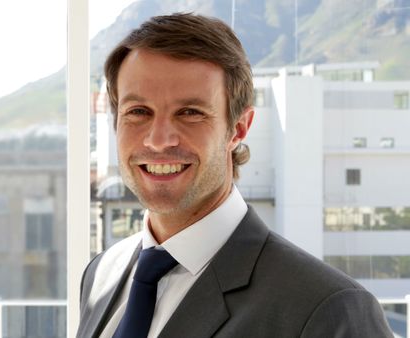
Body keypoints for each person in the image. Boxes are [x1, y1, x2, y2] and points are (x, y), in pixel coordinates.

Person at [77, 13, 393, 338]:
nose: (158, 139)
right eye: (138, 112)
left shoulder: (330, 309)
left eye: (190, 113)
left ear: (238, 128)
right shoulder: (101, 274)